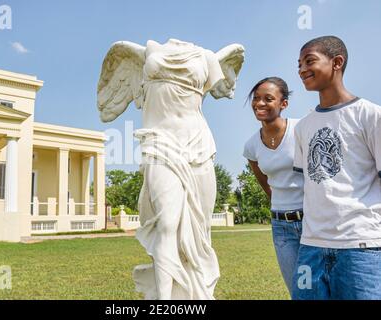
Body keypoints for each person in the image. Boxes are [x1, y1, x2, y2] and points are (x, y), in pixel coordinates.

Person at [97, 38, 244, 299]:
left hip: (198, 144)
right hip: (160, 142)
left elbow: (222, 87)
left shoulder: (207, 56)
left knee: (200, 227)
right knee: (167, 223)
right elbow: (107, 109)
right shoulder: (146, 52)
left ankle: (194, 291)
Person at [292, 35, 381, 300]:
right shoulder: (303, 127)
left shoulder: (371, 116)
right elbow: (308, 185)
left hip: (360, 247)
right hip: (311, 247)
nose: (301, 70)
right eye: (298, 64)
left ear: (337, 62)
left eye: (309, 61)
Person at [243, 77, 304, 296]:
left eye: (268, 99)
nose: (259, 103)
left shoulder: (301, 130)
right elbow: (267, 186)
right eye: (256, 98)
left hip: (312, 222)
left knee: (315, 285)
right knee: (298, 289)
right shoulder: (251, 146)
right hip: (282, 228)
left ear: (283, 103)